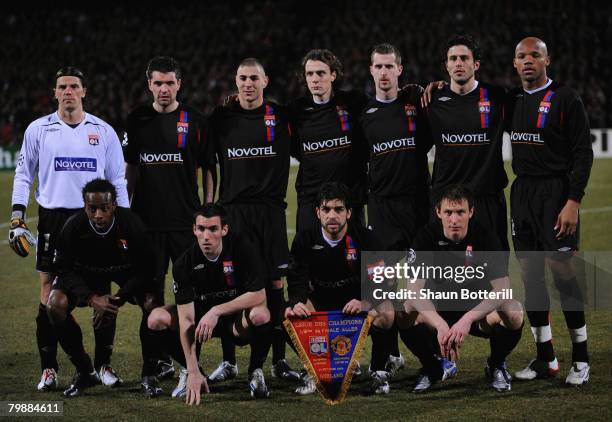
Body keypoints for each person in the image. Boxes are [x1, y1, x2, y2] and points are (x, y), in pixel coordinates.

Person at [8, 66, 129, 392]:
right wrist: (18, 216)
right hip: (53, 219)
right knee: (49, 294)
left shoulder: (103, 131)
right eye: (62, 86)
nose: (68, 91)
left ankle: (103, 364)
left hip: (96, 221)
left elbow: (118, 179)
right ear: (55, 92)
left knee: (101, 291)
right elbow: (23, 176)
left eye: (74, 86)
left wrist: (125, 224)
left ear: (84, 91)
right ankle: (50, 368)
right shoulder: (38, 129)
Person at [508, 37, 593, 385]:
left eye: (534, 55)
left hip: (556, 193)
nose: (528, 61)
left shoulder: (566, 98)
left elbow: (582, 153)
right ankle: (546, 357)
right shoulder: (510, 100)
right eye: (521, 56)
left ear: (547, 60)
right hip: (523, 191)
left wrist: (573, 201)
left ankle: (582, 359)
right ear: (514, 64)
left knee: (563, 273)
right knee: (530, 274)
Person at [206, 57, 297, 385]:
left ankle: (279, 362)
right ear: (235, 81)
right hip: (234, 214)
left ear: (265, 80)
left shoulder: (282, 116)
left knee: (275, 287)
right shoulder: (221, 119)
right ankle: (229, 361)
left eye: (253, 78)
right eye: (242, 78)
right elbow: (202, 159)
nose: (247, 83)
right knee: (231, 285)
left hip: (270, 213)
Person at [123, 56, 213, 386]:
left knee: (192, 296)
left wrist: (206, 209)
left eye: (170, 82)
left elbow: (207, 170)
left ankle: (190, 365)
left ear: (179, 84)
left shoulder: (196, 121)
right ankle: (152, 366)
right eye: (158, 83)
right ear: (149, 84)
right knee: (150, 298)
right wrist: (126, 210)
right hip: (147, 225)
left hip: (185, 224)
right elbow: (130, 169)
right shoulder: (135, 121)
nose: (164, 88)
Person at [398, 185, 524, 393]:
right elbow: (413, 291)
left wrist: (467, 320)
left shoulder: (487, 237)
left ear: (471, 212)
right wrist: (439, 324)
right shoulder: (425, 237)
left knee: (513, 310)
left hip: (477, 314)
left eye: (460, 212)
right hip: (438, 310)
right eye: (448, 212)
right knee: (404, 310)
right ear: (438, 212)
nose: (454, 220)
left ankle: (496, 364)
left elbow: (502, 289)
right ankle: (433, 368)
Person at [146, 203, 272, 403]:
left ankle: (255, 371)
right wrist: (194, 369)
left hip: (235, 322)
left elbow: (258, 295)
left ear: (224, 229)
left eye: (213, 229)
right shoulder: (184, 264)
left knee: (261, 314)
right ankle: (193, 373)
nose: (206, 236)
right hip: (199, 324)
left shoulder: (241, 246)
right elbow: (187, 320)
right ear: (194, 230)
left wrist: (216, 311)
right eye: (201, 229)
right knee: (156, 319)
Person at [46, 178, 155, 397]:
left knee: (152, 303)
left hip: (122, 271)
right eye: (92, 209)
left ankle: (149, 374)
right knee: (54, 305)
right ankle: (85, 370)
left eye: (104, 208)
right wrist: (91, 298)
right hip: (83, 273)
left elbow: (146, 269)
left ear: (114, 206)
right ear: (84, 206)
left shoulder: (132, 224)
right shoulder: (73, 226)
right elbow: (63, 269)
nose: (98, 215)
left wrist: (118, 299)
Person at [286, 182, 396, 395]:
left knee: (387, 312)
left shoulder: (366, 238)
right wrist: (297, 302)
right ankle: (318, 370)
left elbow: (383, 283)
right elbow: (296, 280)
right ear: (318, 212)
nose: (332, 215)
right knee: (290, 314)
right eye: (326, 209)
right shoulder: (304, 239)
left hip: (355, 305)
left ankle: (379, 372)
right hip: (322, 305)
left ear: (349, 213)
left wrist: (365, 301)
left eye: (338, 209)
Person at [425, 34, 509, 249]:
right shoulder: (432, 100)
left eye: (464, 58)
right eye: (453, 59)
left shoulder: (497, 97)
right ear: (446, 65)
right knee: (443, 275)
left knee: (494, 273)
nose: (458, 63)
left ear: (476, 64)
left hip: (487, 201)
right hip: (447, 204)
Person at [360, 43, 432, 251]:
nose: (384, 72)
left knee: (422, 279)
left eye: (389, 66)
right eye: (379, 66)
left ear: (399, 69)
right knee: (381, 281)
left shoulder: (418, 104)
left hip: (418, 205)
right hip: (382, 209)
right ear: (371, 69)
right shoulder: (364, 116)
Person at [287, 49, 368, 231]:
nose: (315, 79)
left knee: (354, 258)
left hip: (349, 203)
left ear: (333, 75)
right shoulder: (295, 111)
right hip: (312, 203)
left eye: (321, 73)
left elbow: (384, 104)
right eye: (309, 74)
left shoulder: (354, 102)